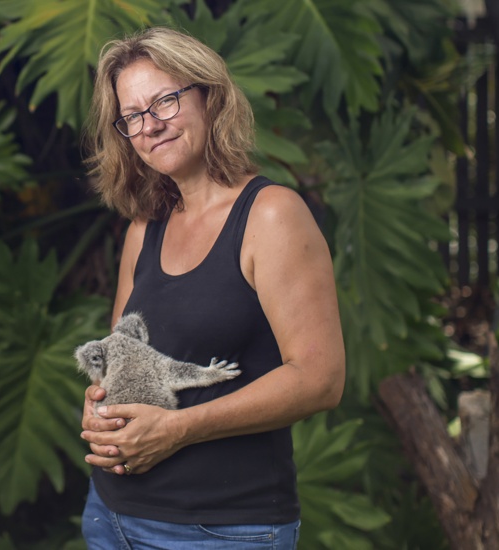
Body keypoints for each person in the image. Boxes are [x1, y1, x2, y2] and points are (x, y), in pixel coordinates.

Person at [79, 27, 345, 549]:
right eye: (132, 116)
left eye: (165, 101)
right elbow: (120, 357)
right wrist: (98, 405)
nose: (150, 125)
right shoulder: (145, 228)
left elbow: (320, 379)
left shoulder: (271, 216)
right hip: (110, 515)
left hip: (222, 529)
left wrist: (178, 428)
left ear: (209, 96)